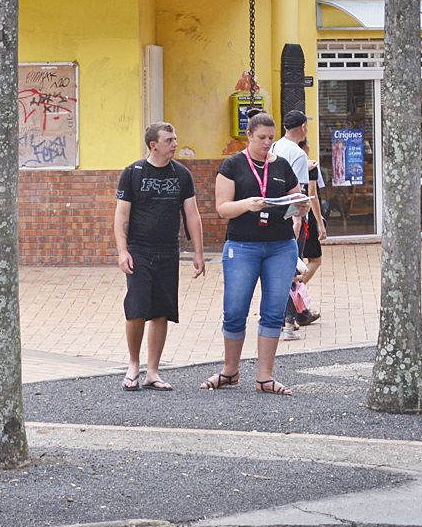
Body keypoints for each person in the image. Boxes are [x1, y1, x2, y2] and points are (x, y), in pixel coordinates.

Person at [204, 111, 306, 395]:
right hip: (243, 245)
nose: (266, 143)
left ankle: (264, 377)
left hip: (280, 246)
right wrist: (247, 204)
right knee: (235, 309)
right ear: (248, 136)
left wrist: (300, 207)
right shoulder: (232, 165)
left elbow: (295, 200)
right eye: (261, 138)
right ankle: (230, 370)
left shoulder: (282, 166)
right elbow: (222, 208)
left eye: (271, 138)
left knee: (273, 311)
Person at [113, 121, 205, 391]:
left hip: (168, 252)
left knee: (162, 312)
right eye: (169, 140)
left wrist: (198, 253)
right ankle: (133, 366)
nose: (175, 144)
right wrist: (122, 251)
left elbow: (192, 214)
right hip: (139, 251)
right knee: (136, 310)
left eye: (175, 138)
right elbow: (121, 216)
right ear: (153, 145)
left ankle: (153, 371)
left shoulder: (182, 175)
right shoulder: (133, 173)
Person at [272, 110, 325, 337]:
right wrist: (298, 222)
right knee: (291, 269)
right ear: (302, 127)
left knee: (282, 269)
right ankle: (290, 321)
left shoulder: (275, 147)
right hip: (293, 217)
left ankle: (287, 318)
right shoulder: (299, 155)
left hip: (274, 212)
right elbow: (300, 193)